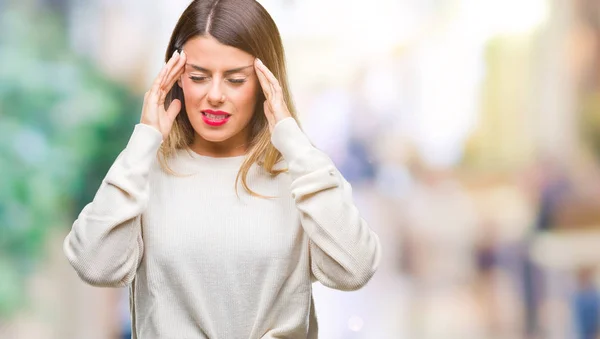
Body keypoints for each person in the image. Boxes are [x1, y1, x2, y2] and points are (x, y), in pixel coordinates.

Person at [62, 0, 382, 338]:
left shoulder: (299, 174)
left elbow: (355, 269)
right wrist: (144, 141)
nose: (215, 95)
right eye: (198, 76)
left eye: (235, 79)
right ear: (176, 78)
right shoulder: (145, 171)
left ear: (264, 81)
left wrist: (292, 140)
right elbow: (94, 265)